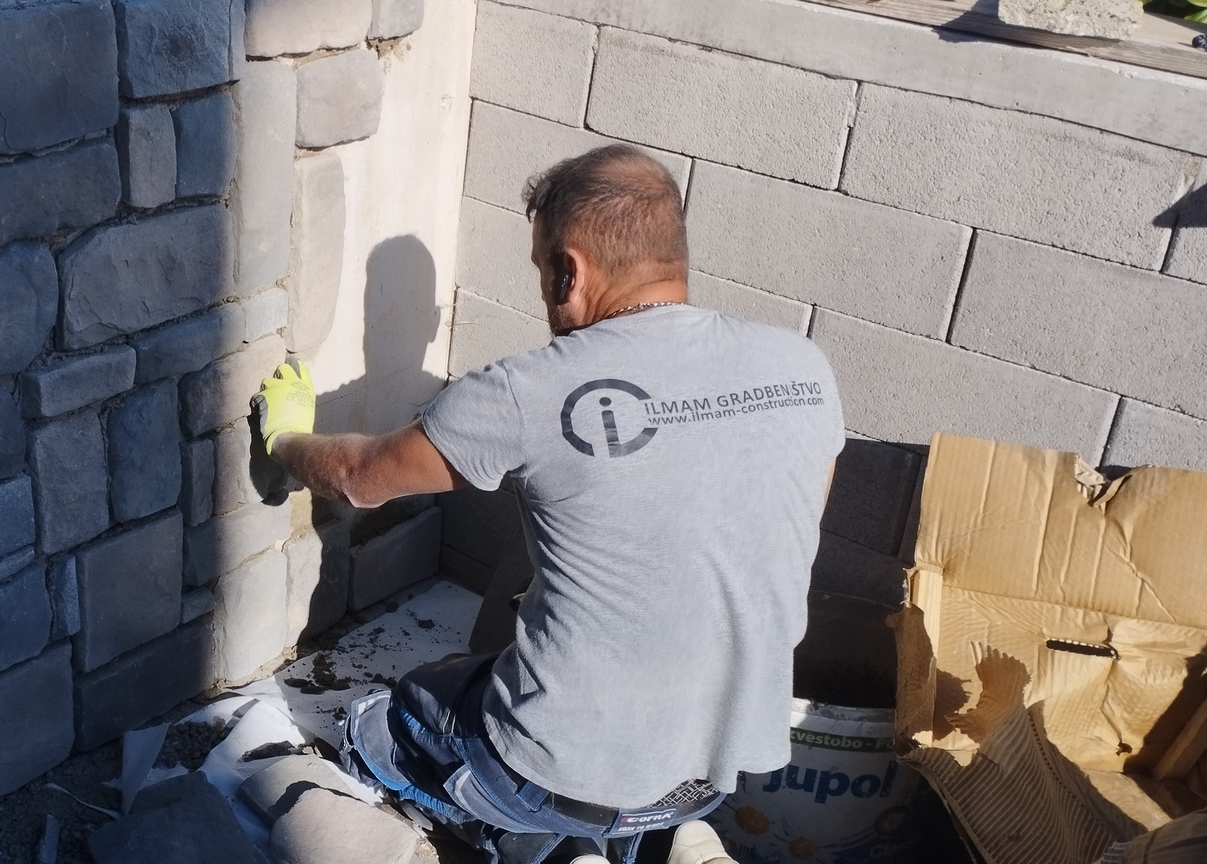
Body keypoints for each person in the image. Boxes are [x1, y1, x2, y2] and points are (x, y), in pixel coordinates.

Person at [253, 144, 845, 864]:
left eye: (540, 271)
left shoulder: (526, 390)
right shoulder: (802, 368)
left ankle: (552, 846)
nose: (543, 294)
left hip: (560, 775)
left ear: (570, 269)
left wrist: (286, 437)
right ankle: (676, 840)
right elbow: (786, 534)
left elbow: (358, 477)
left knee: (390, 720)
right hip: (715, 771)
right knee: (527, 680)